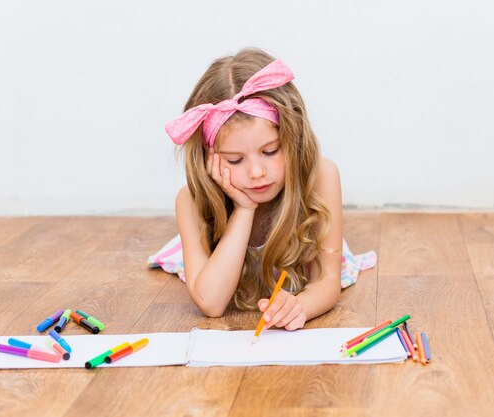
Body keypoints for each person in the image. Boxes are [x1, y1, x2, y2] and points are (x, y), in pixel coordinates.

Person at [148, 48, 377, 331]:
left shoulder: (321, 176)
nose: (257, 173)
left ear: (292, 138)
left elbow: (327, 281)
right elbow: (212, 303)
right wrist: (244, 209)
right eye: (235, 160)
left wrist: (301, 306)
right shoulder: (191, 201)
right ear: (210, 157)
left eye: (270, 151)